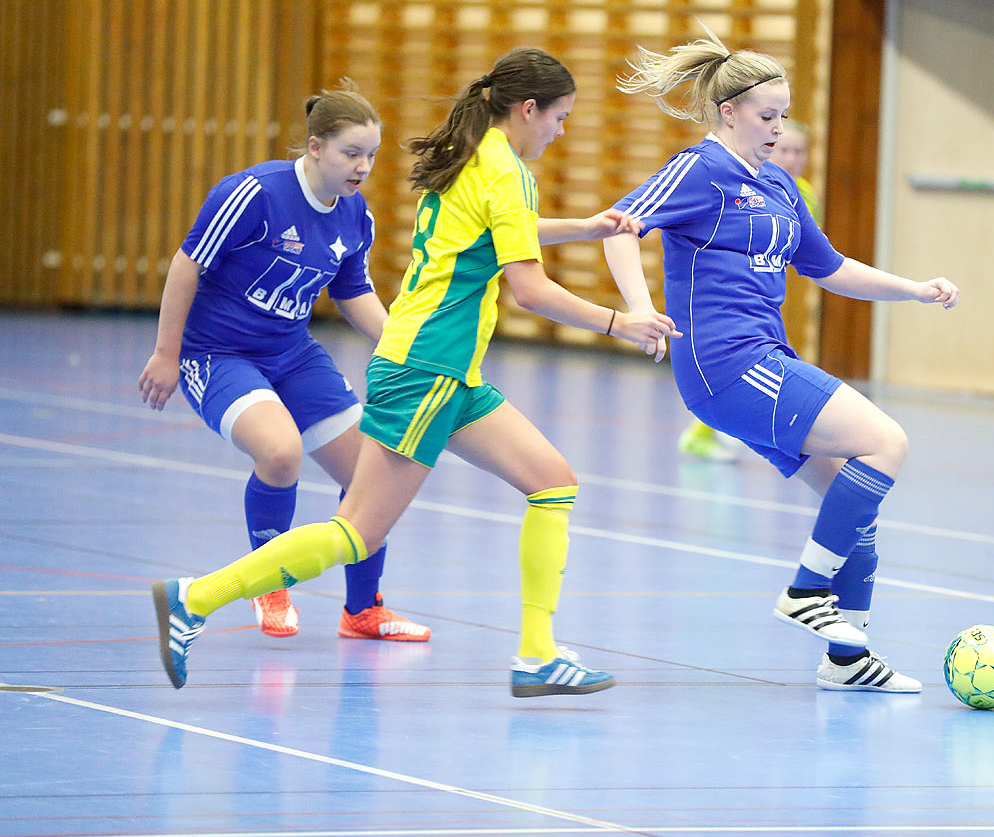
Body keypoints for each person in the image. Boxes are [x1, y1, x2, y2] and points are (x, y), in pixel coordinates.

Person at [151, 48, 680, 693]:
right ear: (528, 108)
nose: (560, 132)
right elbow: (530, 290)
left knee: (552, 482)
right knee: (356, 531)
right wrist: (618, 322)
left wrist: (586, 228)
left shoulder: (479, 152)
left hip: (448, 372)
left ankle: (537, 657)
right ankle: (197, 596)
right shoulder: (504, 171)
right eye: (559, 118)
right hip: (427, 367)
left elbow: (503, 231)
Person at [602, 30, 958, 693]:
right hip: (727, 364)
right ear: (728, 111)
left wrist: (913, 288)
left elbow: (831, 268)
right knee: (886, 443)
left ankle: (847, 661)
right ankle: (805, 591)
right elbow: (621, 227)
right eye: (767, 115)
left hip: (765, 358)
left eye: (785, 115)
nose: (777, 128)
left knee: (856, 509)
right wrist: (639, 310)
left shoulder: (780, 186)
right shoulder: (699, 169)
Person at [138, 81, 430, 642]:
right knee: (280, 451)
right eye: (351, 153)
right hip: (217, 353)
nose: (363, 166)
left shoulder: (354, 214)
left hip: (291, 352)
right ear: (315, 147)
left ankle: (362, 610)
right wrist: (166, 353)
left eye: (371, 155)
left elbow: (353, 292)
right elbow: (186, 264)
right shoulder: (255, 193)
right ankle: (268, 580)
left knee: (372, 477)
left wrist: (404, 348)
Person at [677, 119, 820, 463]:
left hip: (768, 293)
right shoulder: (741, 184)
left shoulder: (803, 194)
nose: (792, 157)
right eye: (786, 149)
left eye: (800, 152)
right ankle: (702, 435)